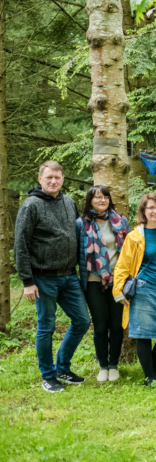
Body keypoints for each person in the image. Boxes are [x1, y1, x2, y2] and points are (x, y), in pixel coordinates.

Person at [14, 161, 91, 393]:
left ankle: (62, 368)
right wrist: (27, 281)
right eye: (49, 177)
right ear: (40, 179)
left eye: (57, 177)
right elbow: (21, 245)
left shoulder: (68, 202)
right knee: (46, 327)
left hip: (69, 277)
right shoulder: (31, 206)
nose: (53, 181)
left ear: (63, 178)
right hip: (43, 278)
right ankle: (48, 376)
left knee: (82, 321)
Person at [113, 193, 156, 386]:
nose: (155, 211)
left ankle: (151, 370)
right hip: (143, 289)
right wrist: (118, 291)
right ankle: (150, 377)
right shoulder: (134, 237)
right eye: (150, 208)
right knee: (143, 335)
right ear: (143, 211)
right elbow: (123, 265)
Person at [76, 185, 130, 383]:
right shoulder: (82, 224)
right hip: (93, 282)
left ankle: (114, 365)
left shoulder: (120, 221)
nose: (102, 200)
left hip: (118, 282)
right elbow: (76, 254)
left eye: (105, 197)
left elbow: (130, 250)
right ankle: (103, 366)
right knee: (100, 326)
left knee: (116, 325)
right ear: (90, 201)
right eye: (97, 197)